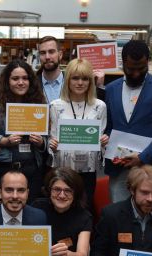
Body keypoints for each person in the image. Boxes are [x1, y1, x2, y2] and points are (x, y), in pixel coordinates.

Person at [96, 40, 152, 203]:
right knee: (120, 217)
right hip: (118, 167)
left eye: (142, 69)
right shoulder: (111, 89)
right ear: (123, 63)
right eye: (131, 69)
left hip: (150, 167)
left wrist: (143, 156)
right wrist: (104, 138)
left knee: (148, 216)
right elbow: (108, 127)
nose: (137, 73)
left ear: (148, 62)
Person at [48, 58, 108, 210]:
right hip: (63, 171)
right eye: (75, 78)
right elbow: (52, 139)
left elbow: (101, 147)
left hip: (88, 171)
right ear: (68, 80)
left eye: (85, 78)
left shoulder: (100, 106)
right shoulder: (55, 106)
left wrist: (104, 142)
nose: (80, 83)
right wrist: (52, 146)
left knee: (85, 211)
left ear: (90, 82)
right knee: (62, 210)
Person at [0, 59, 47, 202]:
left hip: (32, 169)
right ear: (7, 81)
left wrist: (41, 142)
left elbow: (49, 137)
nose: (20, 82)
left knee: (30, 211)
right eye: (15, 78)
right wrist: (2, 140)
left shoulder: (39, 103)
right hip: (2, 167)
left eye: (25, 78)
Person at [37, 36, 64, 103]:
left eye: (51, 52)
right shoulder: (32, 83)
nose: (47, 57)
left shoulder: (71, 81)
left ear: (60, 55)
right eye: (43, 53)